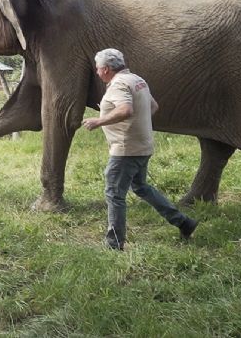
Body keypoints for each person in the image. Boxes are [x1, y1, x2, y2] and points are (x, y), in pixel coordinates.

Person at [82, 48, 198, 250]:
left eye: (99, 68)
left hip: (126, 150)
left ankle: (114, 243)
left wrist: (99, 121)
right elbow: (153, 106)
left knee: (114, 193)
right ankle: (184, 223)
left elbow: (125, 110)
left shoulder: (118, 84)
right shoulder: (137, 80)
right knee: (141, 187)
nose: (97, 72)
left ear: (107, 69)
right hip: (143, 145)